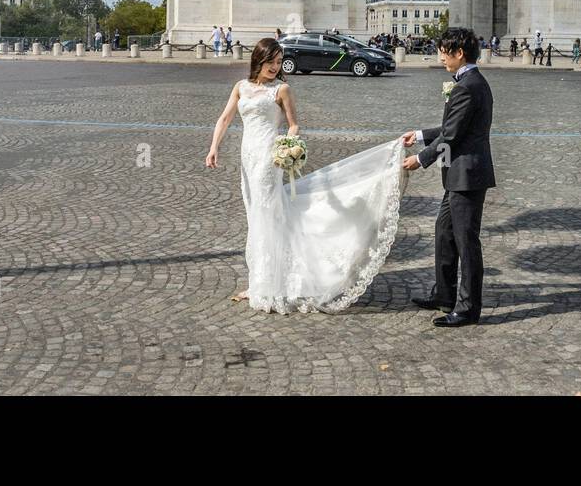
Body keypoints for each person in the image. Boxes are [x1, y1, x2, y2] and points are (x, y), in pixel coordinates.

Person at [204, 38, 407, 314]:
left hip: (268, 158)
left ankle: (268, 285)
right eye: (271, 62)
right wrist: (214, 147)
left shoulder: (282, 89)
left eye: (278, 62)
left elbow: (293, 125)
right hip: (247, 159)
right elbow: (225, 118)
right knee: (256, 215)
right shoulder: (240, 87)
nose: (275, 67)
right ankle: (262, 279)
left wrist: (286, 148)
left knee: (265, 214)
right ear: (258, 60)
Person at [401, 28, 496, 328]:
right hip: (458, 175)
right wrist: (418, 135)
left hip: (467, 175)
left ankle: (468, 308)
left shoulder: (468, 87)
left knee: (466, 242)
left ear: (459, 53)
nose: (440, 56)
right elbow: (451, 128)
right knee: (444, 232)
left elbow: (452, 135)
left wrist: (420, 158)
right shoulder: (468, 83)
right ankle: (444, 294)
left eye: (444, 50)